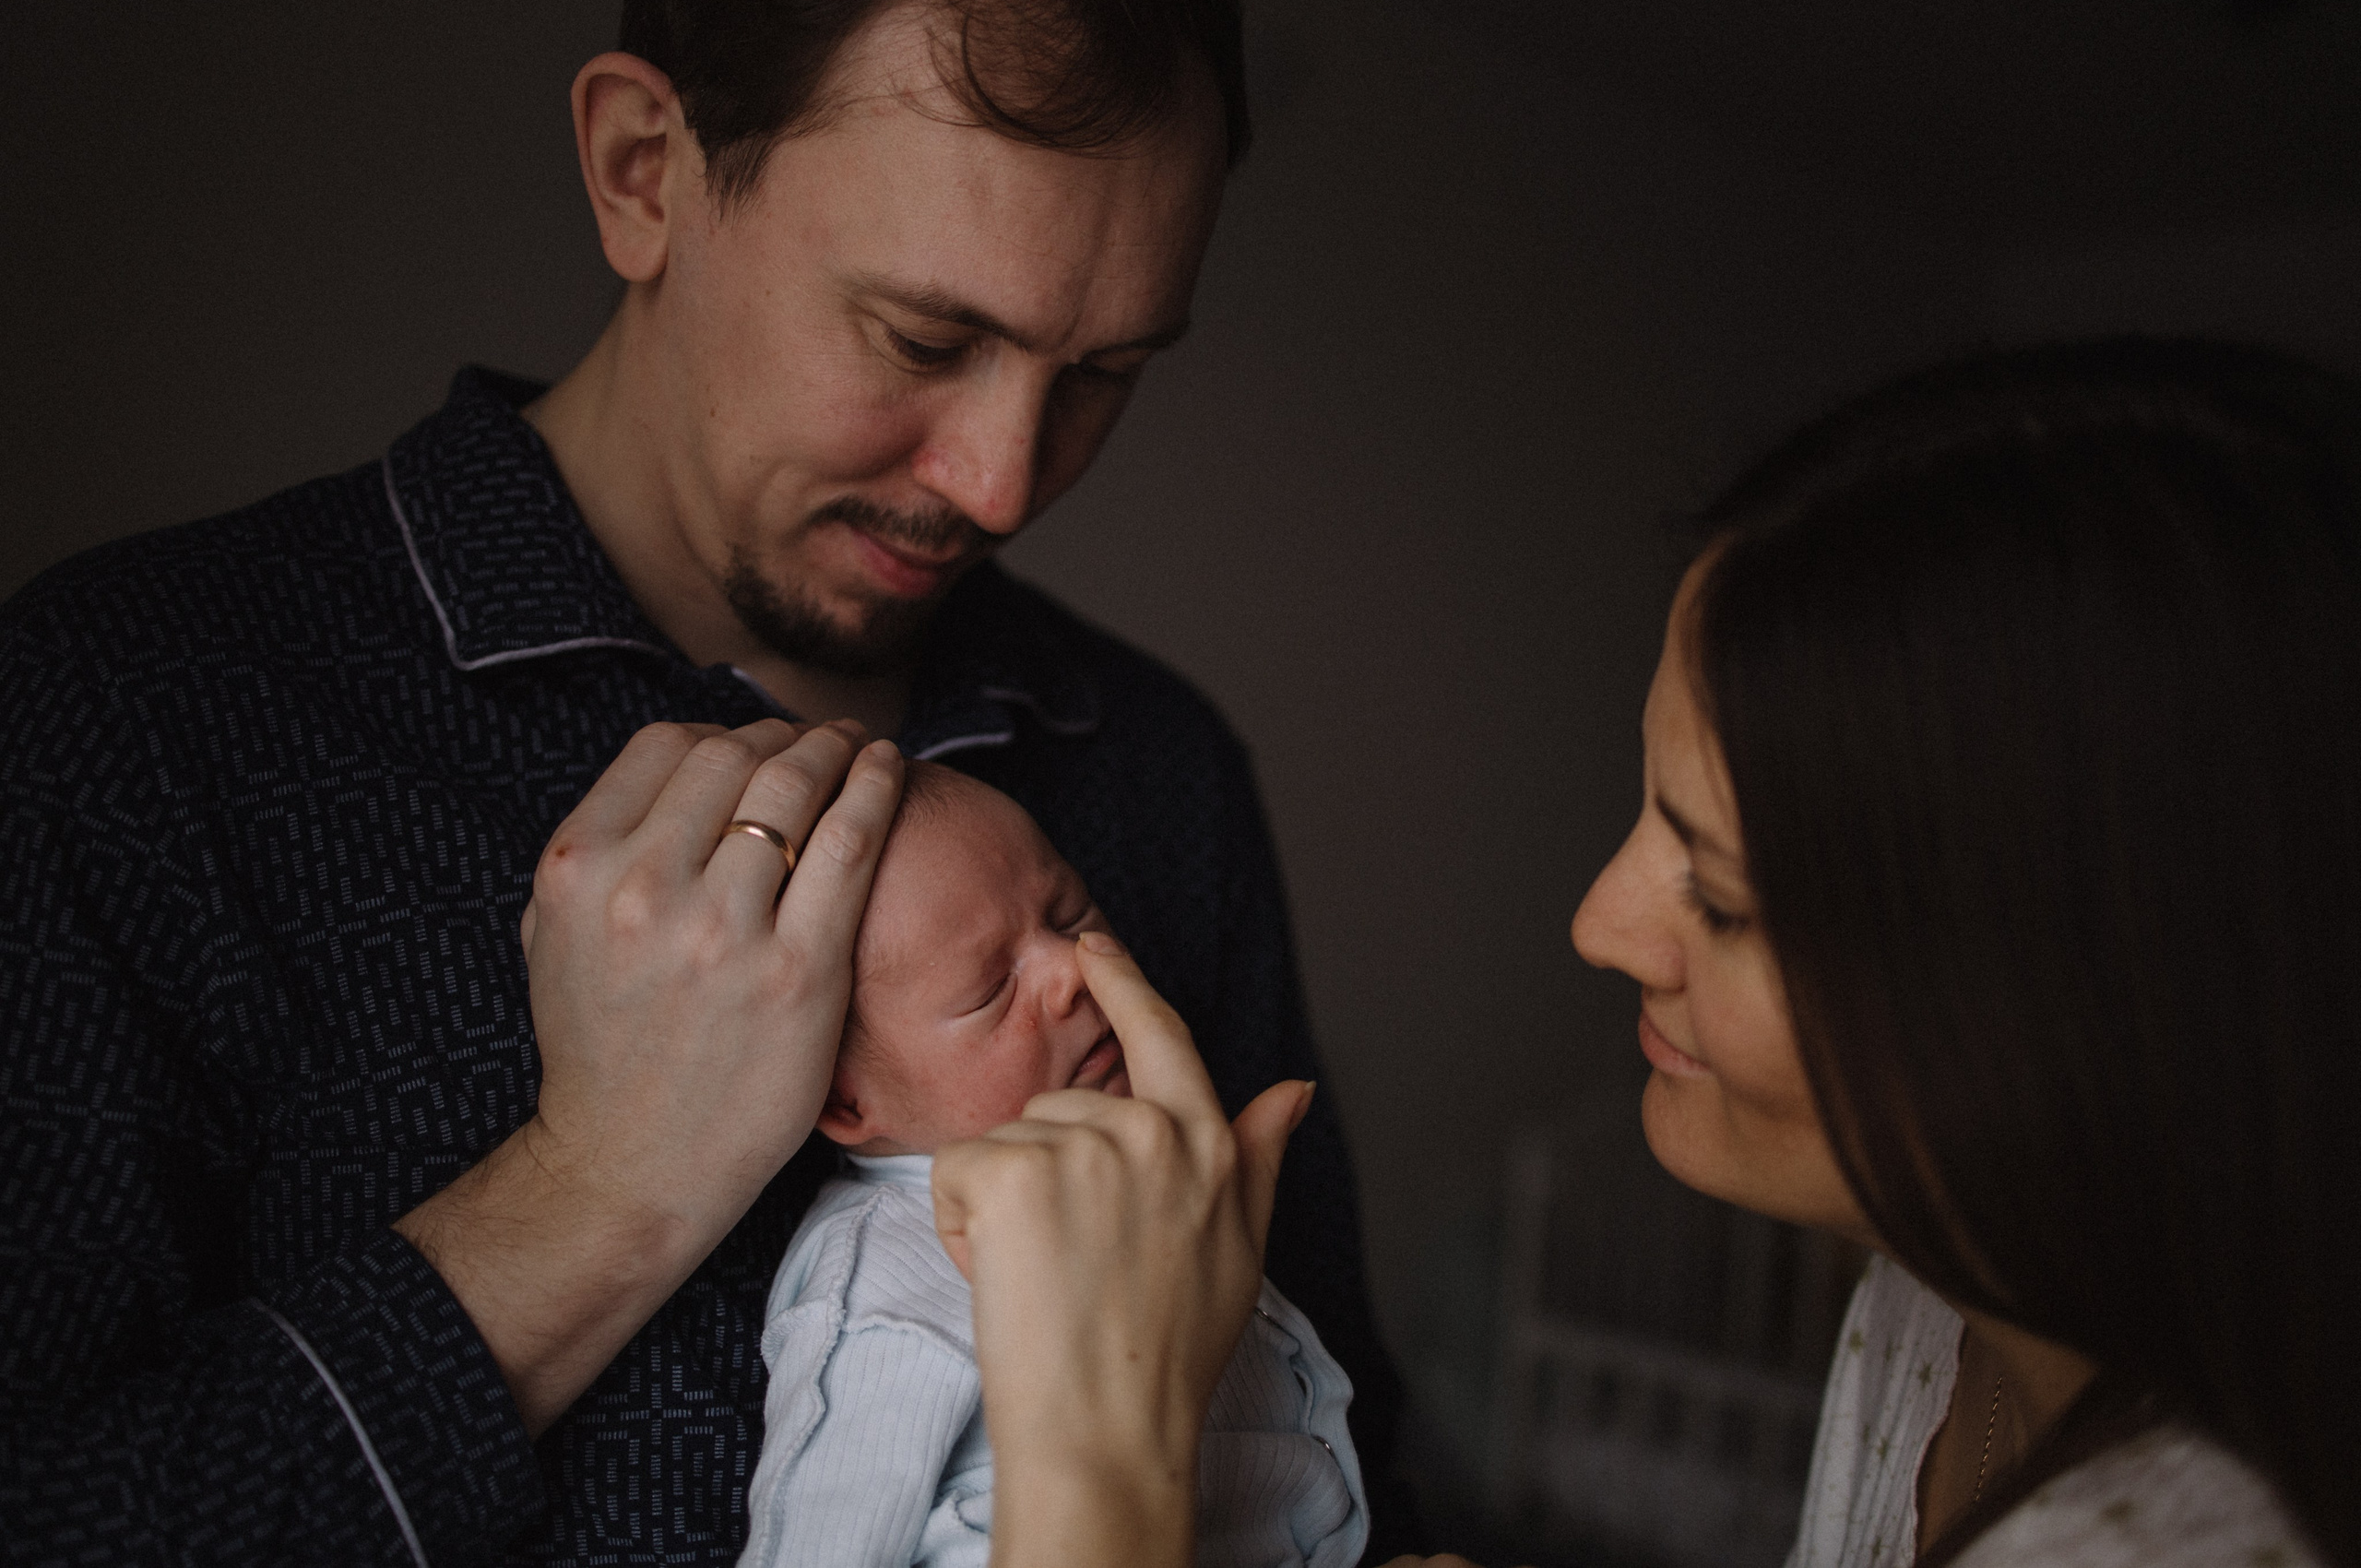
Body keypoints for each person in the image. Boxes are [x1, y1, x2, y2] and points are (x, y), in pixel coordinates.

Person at [0, 0, 1411, 1562]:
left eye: (1106, 371)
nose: (1003, 479)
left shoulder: (1153, 766)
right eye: (924, 337)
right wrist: (593, 1192)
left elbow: (1356, 1465)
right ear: (642, 169)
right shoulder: (128, 710)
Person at [926, 337, 2361, 1568]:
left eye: (1721, 896)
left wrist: (1098, 1464)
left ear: (2077, 1007)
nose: (1600, 924)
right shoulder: (1941, 1295)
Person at [736, 761, 1365, 1568]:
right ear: (848, 1102)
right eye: (991, 988)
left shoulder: (1160, 1169)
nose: (1073, 969)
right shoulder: (878, 1293)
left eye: (1069, 913)